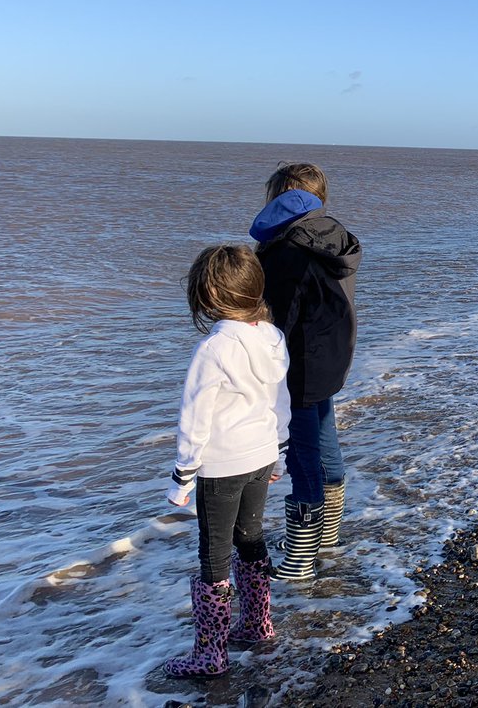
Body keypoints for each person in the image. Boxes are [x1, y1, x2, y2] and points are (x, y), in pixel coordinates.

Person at [163, 245, 291, 678]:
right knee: (251, 536)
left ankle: (210, 654)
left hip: (221, 466)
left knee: (214, 557)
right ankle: (257, 624)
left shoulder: (214, 348)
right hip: (262, 454)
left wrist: (183, 477)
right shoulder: (272, 337)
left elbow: (194, 419)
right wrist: (281, 456)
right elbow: (281, 400)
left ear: (211, 296)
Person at [249, 163, 361, 580]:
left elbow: (278, 317)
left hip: (300, 360)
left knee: (302, 453)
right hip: (331, 355)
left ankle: (299, 560)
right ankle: (324, 538)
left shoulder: (290, 248)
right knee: (323, 435)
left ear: (282, 197)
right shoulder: (333, 236)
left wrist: (260, 366)